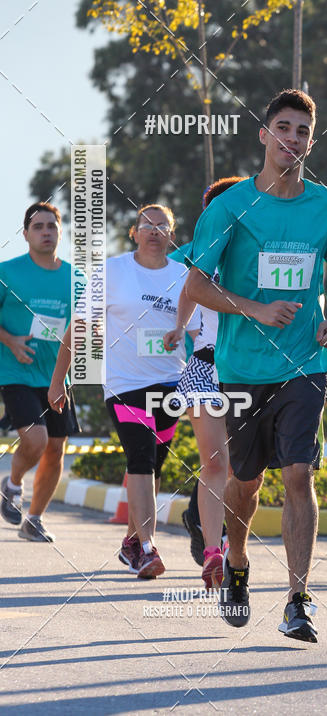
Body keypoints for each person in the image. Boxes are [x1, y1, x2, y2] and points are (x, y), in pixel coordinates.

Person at [185, 89, 327, 642]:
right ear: (264, 135)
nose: (293, 139)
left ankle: (297, 600)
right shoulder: (229, 207)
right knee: (244, 481)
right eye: (283, 127)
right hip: (241, 365)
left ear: (311, 141)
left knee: (300, 474)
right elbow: (197, 286)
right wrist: (255, 307)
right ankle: (236, 561)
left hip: (304, 362)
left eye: (303, 131)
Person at [49, 204, 200, 578]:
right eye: (146, 225)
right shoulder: (112, 271)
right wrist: (58, 379)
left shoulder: (184, 276)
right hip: (125, 384)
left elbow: (201, 333)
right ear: (134, 232)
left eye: (162, 225)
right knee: (141, 458)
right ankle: (148, 549)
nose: (154, 230)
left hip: (170, 381)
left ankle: (132, 541)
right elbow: (79, 327)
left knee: (156, 464)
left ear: (171, 234)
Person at [166, 176, 245, 587]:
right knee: (215, 463)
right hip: (204, 368)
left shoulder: (258, 250)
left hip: (250, 372)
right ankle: (215, 551)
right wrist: (180, 328)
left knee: (243, 468)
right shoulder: (199, 254)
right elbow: (188, 290)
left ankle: (210, 528)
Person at [0, 202, 80, 542]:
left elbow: (83, 328)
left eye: (52, 226)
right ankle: (12, 484)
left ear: (61, 232)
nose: (46, 232)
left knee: (56, 448)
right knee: (36, 438)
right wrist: (10, 340)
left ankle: (34, 519)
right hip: (16, 371)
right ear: (26, 234)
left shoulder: (77, 277)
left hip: (57, 375)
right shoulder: (7, 272)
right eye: (38, 227)